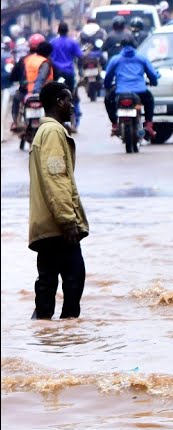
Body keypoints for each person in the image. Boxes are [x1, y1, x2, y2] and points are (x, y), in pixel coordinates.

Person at [27, 82, 87, 320]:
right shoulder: (52, 132)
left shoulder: (45, 132)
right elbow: (57, 178)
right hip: (57, 226)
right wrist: (68, 220)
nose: (72, 106)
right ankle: (66, 338)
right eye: (69, 100)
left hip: (46, 224)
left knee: (47, 281)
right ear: (59, 102)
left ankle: (46, 337)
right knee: (74, 279)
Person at [104, 42, 160, 139]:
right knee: (149, 100)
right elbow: (152, 74)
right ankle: (148, 125)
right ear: (135, 46)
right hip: (140, 92)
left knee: (108, 100)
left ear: (121, 46)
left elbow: (108, 76)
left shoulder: (115, 59)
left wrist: (107, 86)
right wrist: (154, 82)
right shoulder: (142, 58)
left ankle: (115, 125)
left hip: (121, 92)